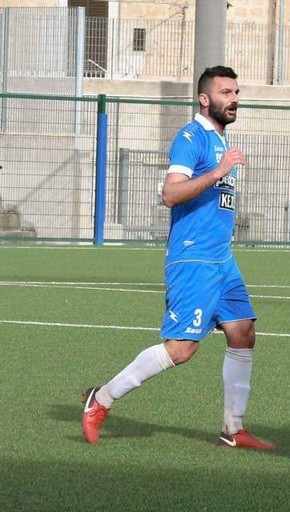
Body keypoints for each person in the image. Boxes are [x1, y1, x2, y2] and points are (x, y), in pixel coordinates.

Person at [81, 66, 275, 451]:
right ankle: (101, 399)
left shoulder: (222, 139)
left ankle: (233, 429)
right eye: (225, 92)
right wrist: (218, 171)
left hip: (221, 258)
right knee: (181, 349)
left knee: (243, 333)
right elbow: (170, 194)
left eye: (236, 91)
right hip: (193, 258)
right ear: (205, 99)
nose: (234, 98)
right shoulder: (191, 137)